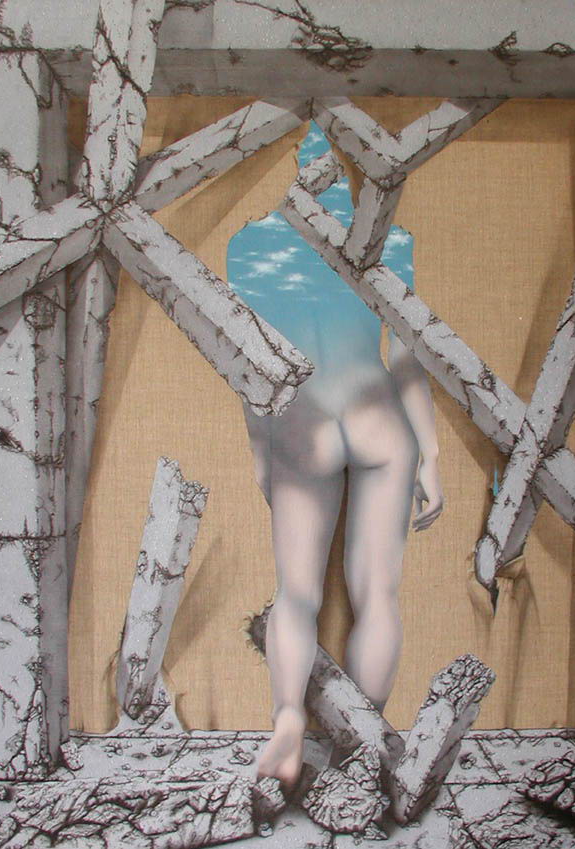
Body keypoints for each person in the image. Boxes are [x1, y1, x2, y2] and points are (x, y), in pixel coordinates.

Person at [227, 124, 443, 788]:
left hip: (303, 421)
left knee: (296, 594)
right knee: (376, 593)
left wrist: (262, 450)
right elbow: (406, 356)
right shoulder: (389, 241)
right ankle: (364, 745)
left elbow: (251, 365)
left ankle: (289, 723)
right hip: (378, 415)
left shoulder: (249, 245)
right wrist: (430, 452)